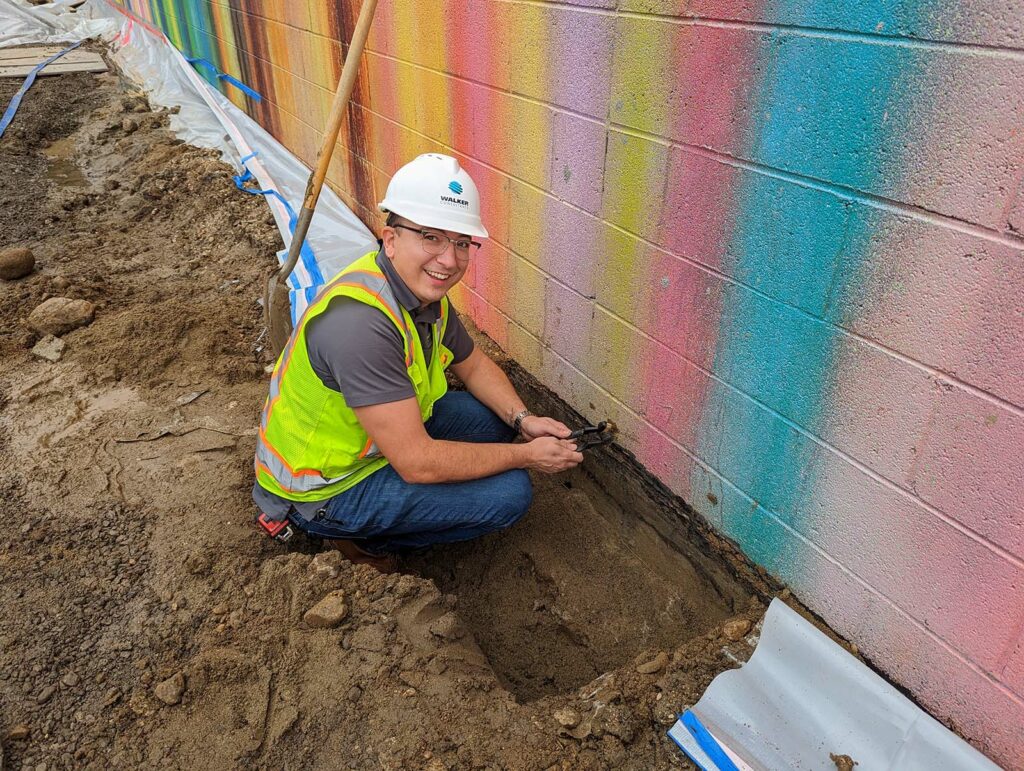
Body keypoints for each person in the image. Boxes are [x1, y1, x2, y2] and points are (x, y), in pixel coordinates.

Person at [252, 153, 583, 571]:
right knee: (510, 494)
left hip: (370, 441)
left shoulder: (422, 296)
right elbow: (417, 462)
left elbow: (475, 366)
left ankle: (383, 512)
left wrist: (524, 420)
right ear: (391, 239)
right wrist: (528, 456)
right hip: (321, 487)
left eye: (462, 243)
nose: (449, 259)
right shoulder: (361, 326)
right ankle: (354, 538)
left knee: (496, 421)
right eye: (431, 237)